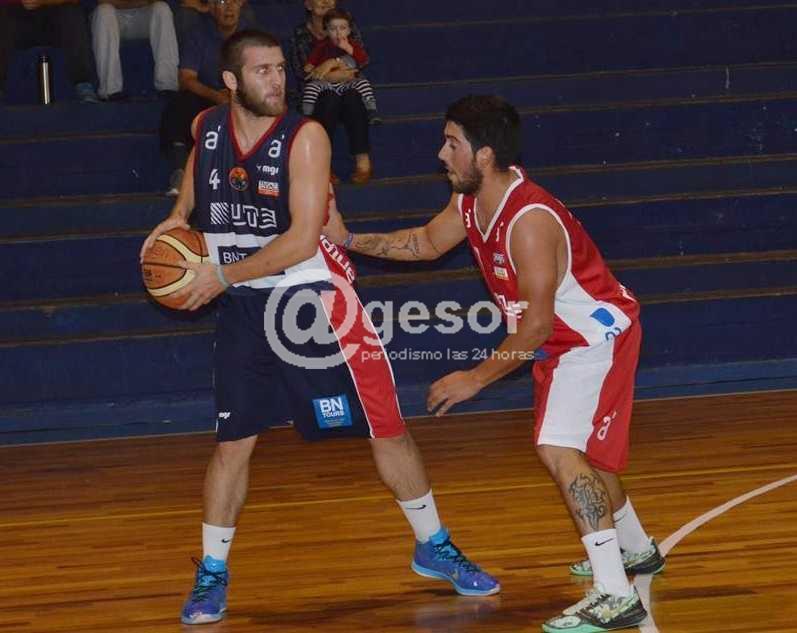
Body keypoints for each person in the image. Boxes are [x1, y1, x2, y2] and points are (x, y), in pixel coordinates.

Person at [139, 32, 499, 626]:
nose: (277, 80)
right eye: (262, 71)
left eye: (280, 69)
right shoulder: (208, 127)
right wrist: (176, 220)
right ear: (231, 81)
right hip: (244, 306)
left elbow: (304, 240)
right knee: (232, 443)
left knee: (386, 428)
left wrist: (220, 276)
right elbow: (196, 180)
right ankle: (212, 572)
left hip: (315, 302)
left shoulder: (305, 138)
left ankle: (433, 545)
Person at [323, 95, 665, 633]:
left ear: (483, 154)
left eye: (451, 143)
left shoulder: (529, 221)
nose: (441, 154)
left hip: (592, 340)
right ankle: (637, 550)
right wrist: (347, 239)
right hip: (563, 343)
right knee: (588, 457)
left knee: (559, 448)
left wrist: (474, 379)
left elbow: (535, 326)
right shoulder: (470, 201)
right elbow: (425, 243)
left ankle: (616, 594)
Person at [159, 0, 253, 195]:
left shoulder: (251, 37)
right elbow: (186, 79)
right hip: (208, 94)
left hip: (242, 94)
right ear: (211, 8)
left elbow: (260, 75)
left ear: (241, 5)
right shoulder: (198, 34)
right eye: (222, 1)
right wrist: (216, 96)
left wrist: (236, 94)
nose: (229, 7)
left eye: (233, 1)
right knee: (179, 105)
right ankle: (180, 171)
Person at [288, 0, 372, 184]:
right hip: (317, 92)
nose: (326, 1)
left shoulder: (347, 24)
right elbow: (302, 71)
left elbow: (361, 61)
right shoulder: (301, 33)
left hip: (348, 84)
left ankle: (363, 160)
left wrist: (332, 62)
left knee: (353, 96)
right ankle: (322, 164)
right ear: (308, 4)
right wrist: (331, 75)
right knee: (329, 98)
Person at [0, 0, 99, 103]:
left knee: (72, 12)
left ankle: (83, 84)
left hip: (55, 18)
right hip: (17, 18)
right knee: (3, 13)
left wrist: (42, 2)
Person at [301, 8, 380, 124]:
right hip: (327, 84)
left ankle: (371, 110)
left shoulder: (353, 45)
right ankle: (307, 114)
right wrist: (310, 66)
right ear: (326, 31)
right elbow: (310, 64)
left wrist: (348, 48)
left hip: (347, 82)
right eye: (333, 29)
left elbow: (363, 61)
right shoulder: (321, 46)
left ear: (349, 30)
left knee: (363, 83)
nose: (338, 33)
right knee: (311, 87)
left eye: (342, 28)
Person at [91, 0, 179, 100]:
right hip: (113, 16)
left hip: (143, 15)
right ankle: (110, 90)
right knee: (103, 11)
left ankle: (168, 85)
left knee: (162, 8)